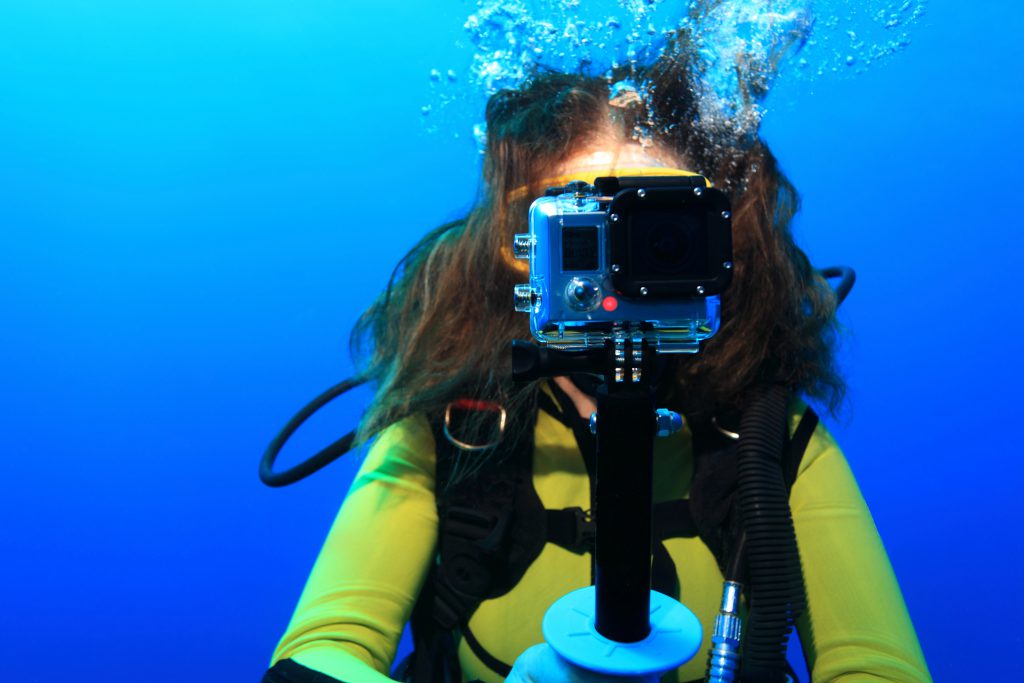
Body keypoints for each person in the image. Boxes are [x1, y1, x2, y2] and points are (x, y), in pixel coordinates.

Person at [262, 37, 932, 683]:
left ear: (723, 245)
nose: (624, 268)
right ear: (517, 247)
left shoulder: (767, 439)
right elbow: (319, 652)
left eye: (662, 232)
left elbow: (879, 667)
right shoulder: (450, 431)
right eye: (583, 229)